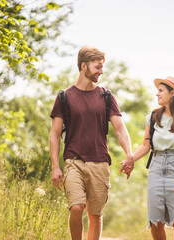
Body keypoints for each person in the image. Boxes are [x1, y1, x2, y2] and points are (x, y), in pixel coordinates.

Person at [49, 45, 134, 240]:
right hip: (74, 161)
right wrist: (56, 166)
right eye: (98, 67)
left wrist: (129, 154)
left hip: (100, 162)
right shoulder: (64, 97)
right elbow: (54, 134)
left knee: (95, 215)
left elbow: (120, 129)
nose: (101, 72)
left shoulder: (106, 96)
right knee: (77, 207)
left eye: (102, 67)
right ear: (84, 66)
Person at [131, 76, 174, 240]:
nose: (157, 94)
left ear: (172, 93)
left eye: (161, 91)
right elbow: (146, 145)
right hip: (157, 168)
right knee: (155, 221)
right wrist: (130, 160)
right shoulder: (153, 117)